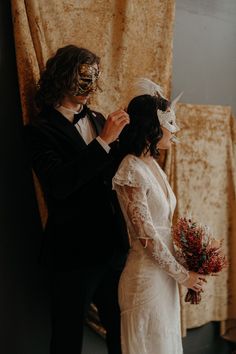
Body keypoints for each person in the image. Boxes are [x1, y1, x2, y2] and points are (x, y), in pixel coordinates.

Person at [24, 44, 130, 354]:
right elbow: (59, 185)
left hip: (112, 250)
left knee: (122, 336)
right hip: (71, 255)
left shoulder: (98, 118)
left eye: (94, 79)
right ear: (61, 78)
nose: (90, 88)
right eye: (82, 79)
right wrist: (103, 142)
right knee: (66, 340)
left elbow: (111, 176)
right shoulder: (38, 130)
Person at [112, 78, 206, 354]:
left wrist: (187, 267)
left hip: (164, 276)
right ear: (153, 126)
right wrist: (182, 275)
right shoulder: (131, 168)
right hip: (145, 278)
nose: (175, 129)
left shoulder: (153, 165)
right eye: (170, 122)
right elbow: (146, 236)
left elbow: (163, 228)